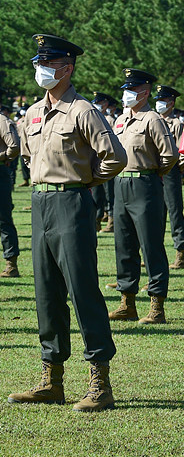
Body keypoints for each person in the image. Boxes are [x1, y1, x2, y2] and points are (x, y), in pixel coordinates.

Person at [9, 33, 126, 412]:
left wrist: (85, 180)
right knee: (46, 293)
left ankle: (99, 380)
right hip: (40, 203)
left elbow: (114, 157)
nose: (40, 70)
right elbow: (28, 155)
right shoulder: (33, 113)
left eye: (48, 64)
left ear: (67, 69)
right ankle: (52, 379)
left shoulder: (82, 110)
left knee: (82, 290)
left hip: (72, 202)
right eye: (38, 63)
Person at [106, 69, 178, 325]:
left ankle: (156, 306)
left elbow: (169, 155)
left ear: (144, 92)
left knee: (151, 247)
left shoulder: (152, 119)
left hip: (145, 185)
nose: (126, 94)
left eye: (131, 89)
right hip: (120, 184)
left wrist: (152, 174)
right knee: (123, 245)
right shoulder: (121, 120)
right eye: (125, 89)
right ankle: (127, 303)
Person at [154, 85, 184, 270]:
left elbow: (182, 151)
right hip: (155, 172)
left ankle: (180, 254)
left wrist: (176, 168)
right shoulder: (154, 120)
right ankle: (155, 254)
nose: (159, 104)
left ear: (171, 102)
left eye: (162, 100)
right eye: (157, 100)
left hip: (170, 171)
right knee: (157, 214)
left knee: (175, 212)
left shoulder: (177, 124)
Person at [90, 93, 118, 232]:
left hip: (106, 160)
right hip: (95, 161)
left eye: (100, 102)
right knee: (97, 193)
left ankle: (111, 220)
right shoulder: (93, 118)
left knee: (109, 193)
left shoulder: (109, 119)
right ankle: (97, 219)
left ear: (105, 104)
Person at [0, 100, 21, 277]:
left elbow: (14, 146)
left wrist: (2, 156)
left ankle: (11, 263)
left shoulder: (2, 121)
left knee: (3, 219)